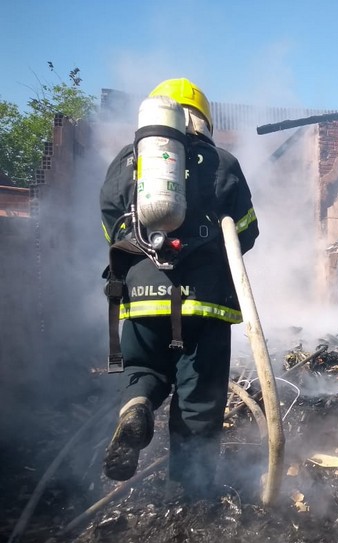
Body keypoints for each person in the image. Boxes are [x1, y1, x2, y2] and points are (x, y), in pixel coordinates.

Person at [99, 78, 258, 498]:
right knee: (198, 404)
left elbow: (109, 227)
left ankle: (137, 407)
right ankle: (186, 503)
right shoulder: (221, 161)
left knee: (144, 370)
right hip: (204, 305)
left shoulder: (126, 160)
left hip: (139, 301)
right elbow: (246, 231)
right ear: (204, 119)